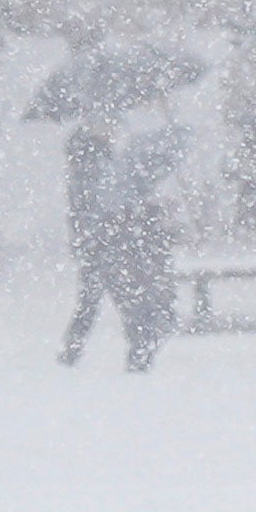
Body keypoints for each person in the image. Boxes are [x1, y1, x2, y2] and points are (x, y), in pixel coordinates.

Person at [59, 119, 174, 373]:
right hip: (107, 243)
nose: (112, 134)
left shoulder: (86, 165)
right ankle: (138, 354)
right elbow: (104, 205)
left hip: (96, 244)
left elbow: (85, 211)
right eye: (107, 130)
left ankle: (71, 353)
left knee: (93, 301)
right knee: (127, 302)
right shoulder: (97, 166)